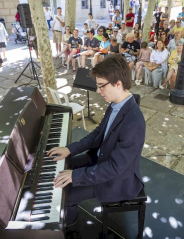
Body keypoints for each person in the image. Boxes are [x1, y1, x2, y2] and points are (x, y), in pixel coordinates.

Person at [48, 55, 145, 230]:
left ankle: (68, 228)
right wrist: (69, 149)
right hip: (100, 160)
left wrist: (75, 176)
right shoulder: (116, 104)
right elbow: (97, 134)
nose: (98, 91)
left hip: (116, 180)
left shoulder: (134, 122)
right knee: (63, 165)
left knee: (67, 193)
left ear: (118, 84)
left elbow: (115, 168)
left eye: (101, 86)